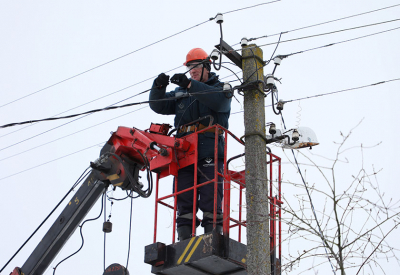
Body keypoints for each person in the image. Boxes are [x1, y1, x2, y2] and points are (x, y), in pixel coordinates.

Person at [149, 48, 232, 241]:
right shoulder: (181, 94)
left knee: (210, 193)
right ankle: (184, 238)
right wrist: (158, 87)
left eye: (195, 67)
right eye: (189, 67)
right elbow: (158, 105)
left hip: (209, 150)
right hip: (185, 152)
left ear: (206, 67)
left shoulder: (221, 89)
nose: (192, 70)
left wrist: (190, 85)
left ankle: (212, 237)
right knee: (183, 195)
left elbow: (219, 103)